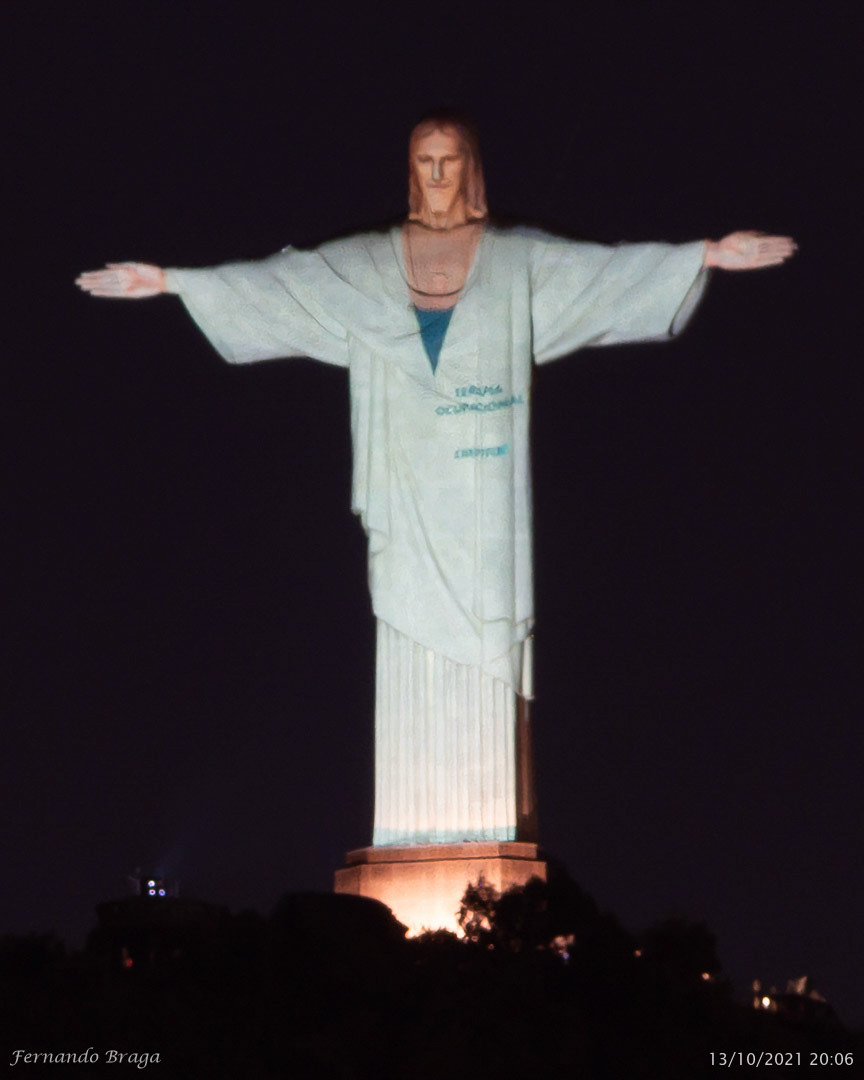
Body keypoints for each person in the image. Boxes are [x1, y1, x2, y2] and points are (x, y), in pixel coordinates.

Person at [77, 115, 796, 848]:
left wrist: (704, 256)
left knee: (489, 645)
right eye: (425, 162)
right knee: (405, 632)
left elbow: (602, 273)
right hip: (407, 492)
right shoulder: (368, 263)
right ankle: (411, 834)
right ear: (410, 171)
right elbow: (282, 283)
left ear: (473, 169)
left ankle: (485, 833)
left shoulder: (517, 261)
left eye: (451, 161)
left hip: (485, 511)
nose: (439, 176)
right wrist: (169, 282)